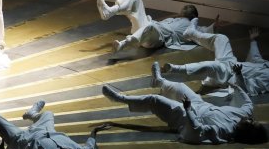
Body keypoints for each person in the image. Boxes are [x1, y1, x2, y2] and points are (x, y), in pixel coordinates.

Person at [101, 62, 267, 144]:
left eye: (252, 124)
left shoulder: (224, 133)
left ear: (247, 133)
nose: (251, 120)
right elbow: (246, 100)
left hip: (185, 118)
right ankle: (159, 81)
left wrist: (188, 111)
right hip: (200, 104)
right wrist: (237, 79)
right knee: (180, 86)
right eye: (253, 121)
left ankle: (120, 99)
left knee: (155, 100)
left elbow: (198, 131)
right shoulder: (243, 115)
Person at [164, 20, 269, 95]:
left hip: (229, 75)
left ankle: (176, 69)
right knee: (222, 39)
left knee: (213, 66)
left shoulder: (267, 81)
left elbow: (247, 90)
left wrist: (238, 74)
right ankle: (192, 33)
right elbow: (255, 59)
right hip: (231, 63)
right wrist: (253, 41)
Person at [96, 0, 216, 52]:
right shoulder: (173, 20)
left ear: (193, 15)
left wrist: (214, 25)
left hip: (154, 39)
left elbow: (206, 32)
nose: (185, 9)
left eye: (188, 8)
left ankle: (122, 45)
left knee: (151, 27)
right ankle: (109, 12)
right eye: (185, 7)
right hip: (147, 28)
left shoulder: (193, 27)